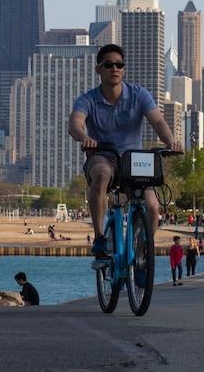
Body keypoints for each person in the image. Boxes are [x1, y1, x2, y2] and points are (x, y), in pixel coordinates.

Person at [69, 43, 182, 259]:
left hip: (135, 161)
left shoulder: (139, 95)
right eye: (109, 65)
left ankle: (142, 252)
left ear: (124, 69)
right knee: (101, 176)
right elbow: (75, 123)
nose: (115, 69)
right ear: (99, 70)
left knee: (153, 207)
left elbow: (158, 121)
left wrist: (171, 142)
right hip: (103, 156)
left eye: (119, 65)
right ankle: (100, 237)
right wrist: (85, 138)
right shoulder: (88, 99)